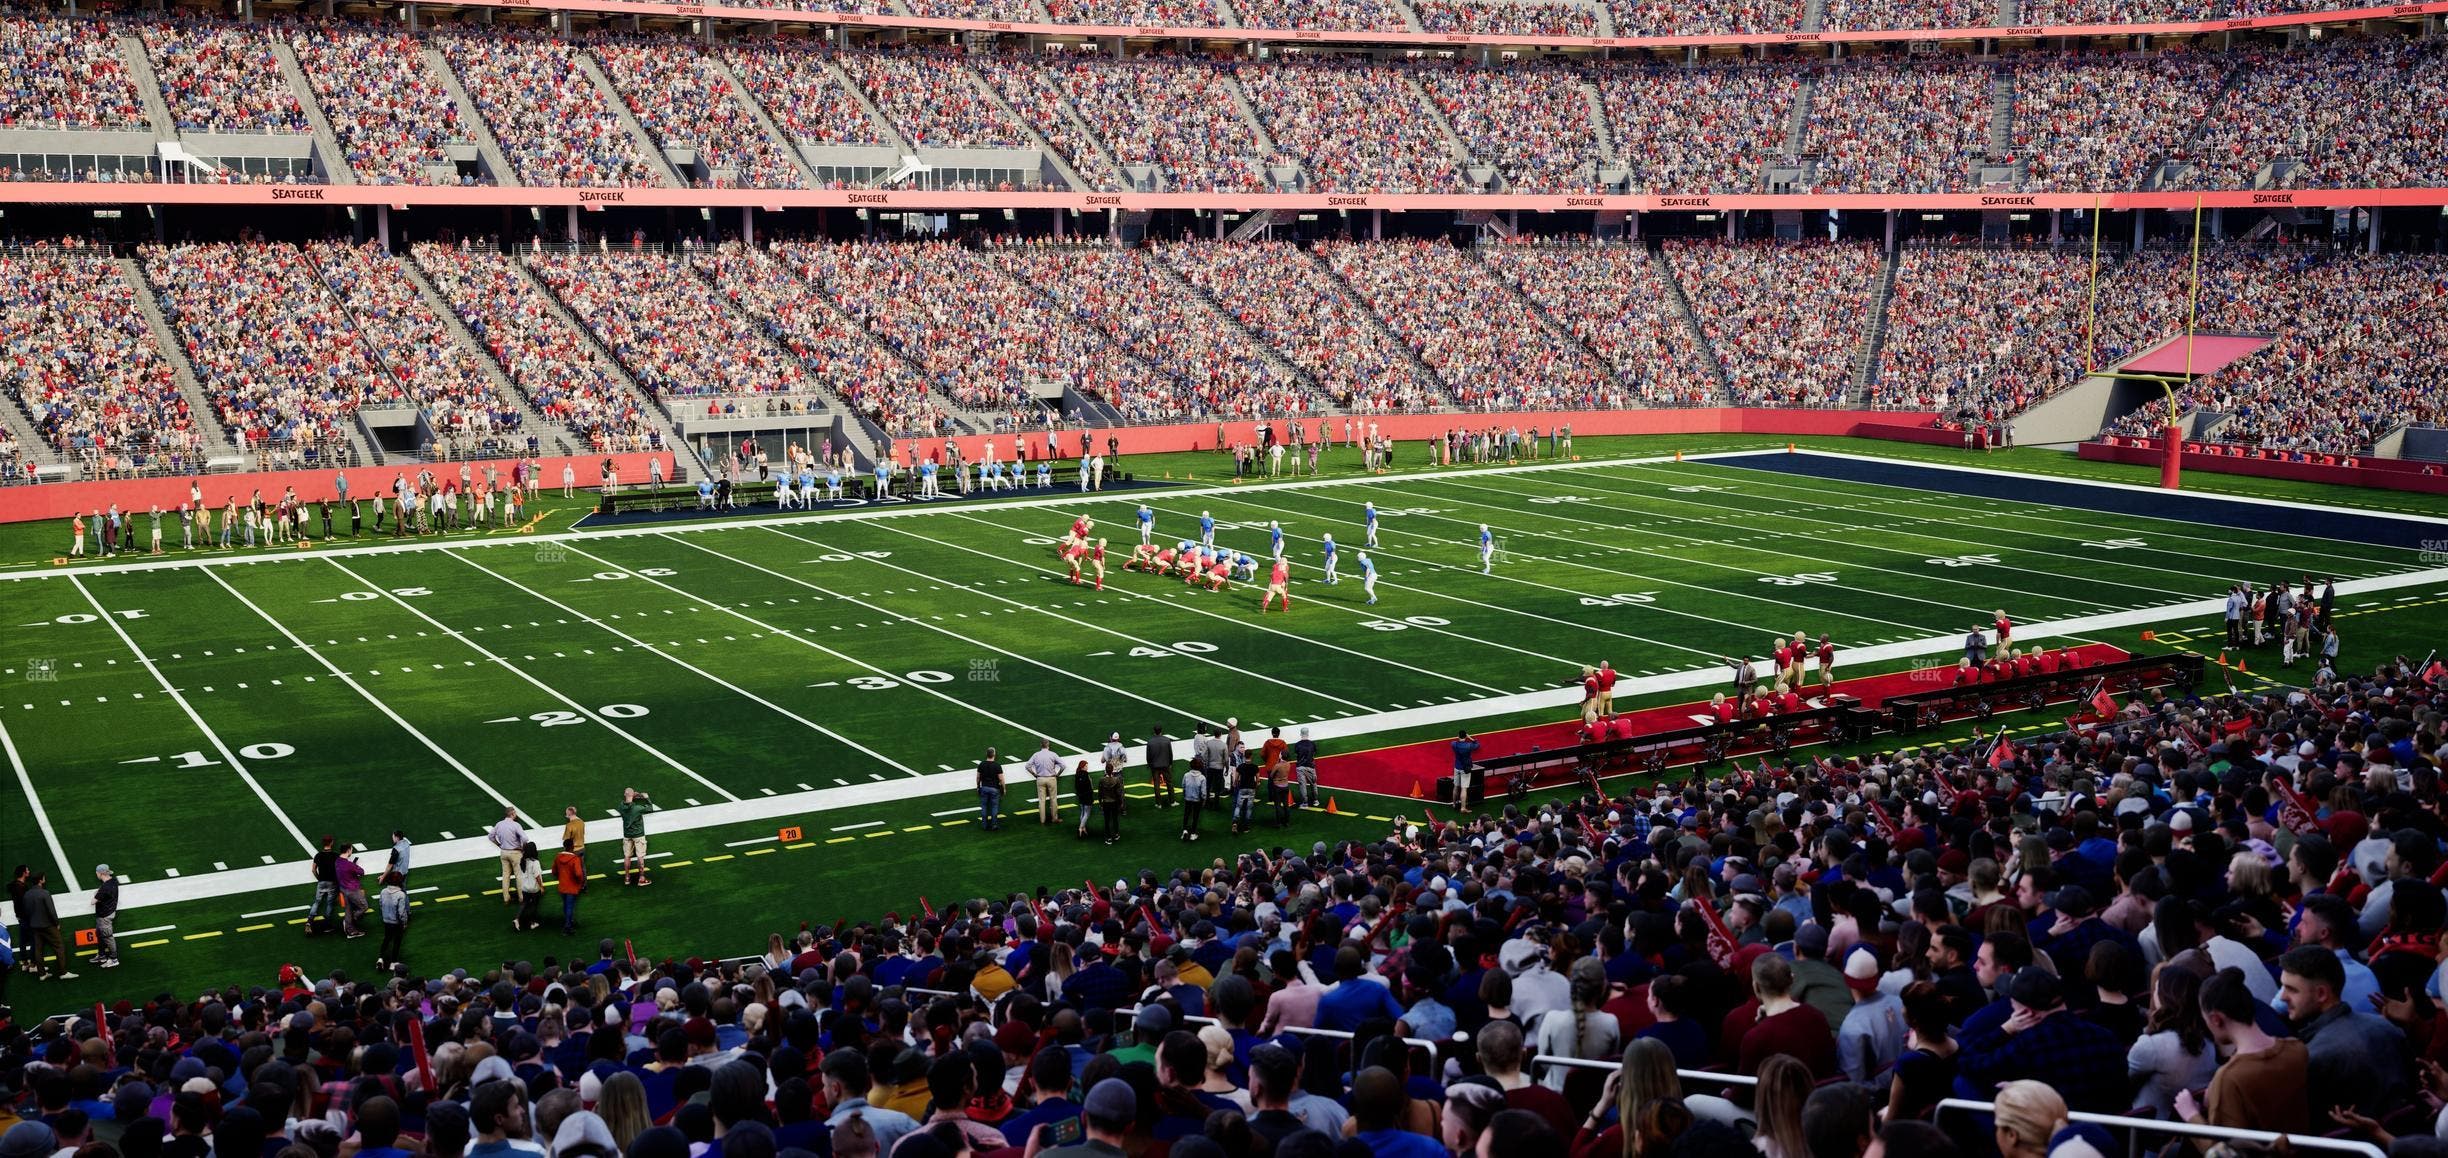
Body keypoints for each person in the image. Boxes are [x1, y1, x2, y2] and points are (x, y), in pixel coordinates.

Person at [2177, 966, 2309, 1137]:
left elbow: (2225, 1151)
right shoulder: (2297, 1049)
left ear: (2215, 1019)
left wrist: (2191, 1116)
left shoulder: (2228, 1079)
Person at [618, 788, 655, 886]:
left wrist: (632, 796)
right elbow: (650, 808)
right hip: (638, 835)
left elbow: (627, 803)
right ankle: (641, 878)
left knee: (627, 856)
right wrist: (646, 798)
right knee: (640, 856)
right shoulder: (637, 808)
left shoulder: (621, 806)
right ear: (632, 795)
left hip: (627, 834)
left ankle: (627, 878)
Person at [374, 870, 409, 971]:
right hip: (396, 922)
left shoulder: (383, 891)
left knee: (387, 939)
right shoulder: (401, 895)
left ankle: (380, 959)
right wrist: (404, 922)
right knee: (397, 941)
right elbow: (401, 912)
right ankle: (393, 963)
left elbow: (381, 904)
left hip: (386, 920)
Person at [491, 807, 525, 904]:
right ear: (512, 814)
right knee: (518, 875)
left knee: (505, 875)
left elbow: (490, 836)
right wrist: (522, 847)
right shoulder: (516, 825)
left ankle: (506, 898)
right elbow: (525, 838)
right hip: (515, 852)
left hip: (504, 852)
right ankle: (521, 897)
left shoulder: (499, 824)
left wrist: (498, 844)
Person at [553, 837, 585, 935]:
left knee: (566, 905)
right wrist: (580, 882)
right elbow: (579, 874)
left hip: (562, 886)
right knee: (570, 906)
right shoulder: (575, 859)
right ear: (572, 847)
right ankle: (568, 926)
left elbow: (554, 871)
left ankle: (568, 921)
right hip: (572, 886)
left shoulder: (558, 857)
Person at [1027, 739, 1061, 826]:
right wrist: (1058, 774)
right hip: (1051, 778)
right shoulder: (1052, 754)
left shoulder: (1036, 755)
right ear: (1048, 745)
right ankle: (1054, 818)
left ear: (1041, 745)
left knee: (1041, 801)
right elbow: (1063, 765)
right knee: (1053, 799)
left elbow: (1027, 766)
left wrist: (1034, 774)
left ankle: (1042, 820)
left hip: (1040, 779)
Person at [90, 865, 118, 969]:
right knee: (100, 934)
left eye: (97, 872)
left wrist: (97, 894)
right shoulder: (113, 881)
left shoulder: (105, 888)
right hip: (106, 913)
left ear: (100, 873)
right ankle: (102, 955)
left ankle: (114, 959)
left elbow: (93, 901)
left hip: (105, 916)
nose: (96, 874)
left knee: (108, 937)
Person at [1451, 730, 1480, 812]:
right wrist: (1470, 738)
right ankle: (1463, 808)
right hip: (1465, 768)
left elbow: (1454, 742)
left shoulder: (1454, 744)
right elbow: (1477, 745)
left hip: (1457, 767)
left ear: (1458, 736)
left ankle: (1454, 803)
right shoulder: (1468, 746)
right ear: (1465, 736)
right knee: (1464, 788)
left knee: (1456, 786)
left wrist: (1459, 738)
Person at [975, 748, 1003, 832]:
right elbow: (1001, 779)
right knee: (994, 806)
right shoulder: (997, 765)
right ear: (994, 754)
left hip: (984, 788)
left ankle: (984, 825)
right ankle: (994, 824)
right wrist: (1004, 788)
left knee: (984, 806)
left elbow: (978, 777)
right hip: (994, 788)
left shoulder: (981, 764)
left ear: (986, 754)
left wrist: (978, 786)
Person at [1097, 763, 1124, 845]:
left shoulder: (1102, 780)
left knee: (1107, 820)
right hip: (1114, 802)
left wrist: (1100, 802)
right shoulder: (1116, 780)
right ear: (1112, 770)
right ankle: (1116, 834)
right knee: (1115, 819)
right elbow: (1119, 793)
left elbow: (1100, 793)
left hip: (1106, 802)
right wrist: (1121, 802)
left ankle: (1108, 837)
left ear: (1106, 770)